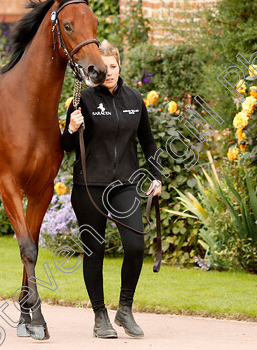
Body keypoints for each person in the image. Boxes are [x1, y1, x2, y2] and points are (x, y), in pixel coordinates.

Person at [60, 40, 163, 339]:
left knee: (135, 247)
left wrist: (155, 177)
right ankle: (99, 316)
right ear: (96, 69)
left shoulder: (134, 98)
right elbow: (66, 147)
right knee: (95, 250)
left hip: (126, 186)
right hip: (89, 187)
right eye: (103, 68)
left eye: (113, 67)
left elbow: (149, 142)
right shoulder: (83, 101)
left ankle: (125, 310)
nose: (109, 73)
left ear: (120, 67)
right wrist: (71, 128)